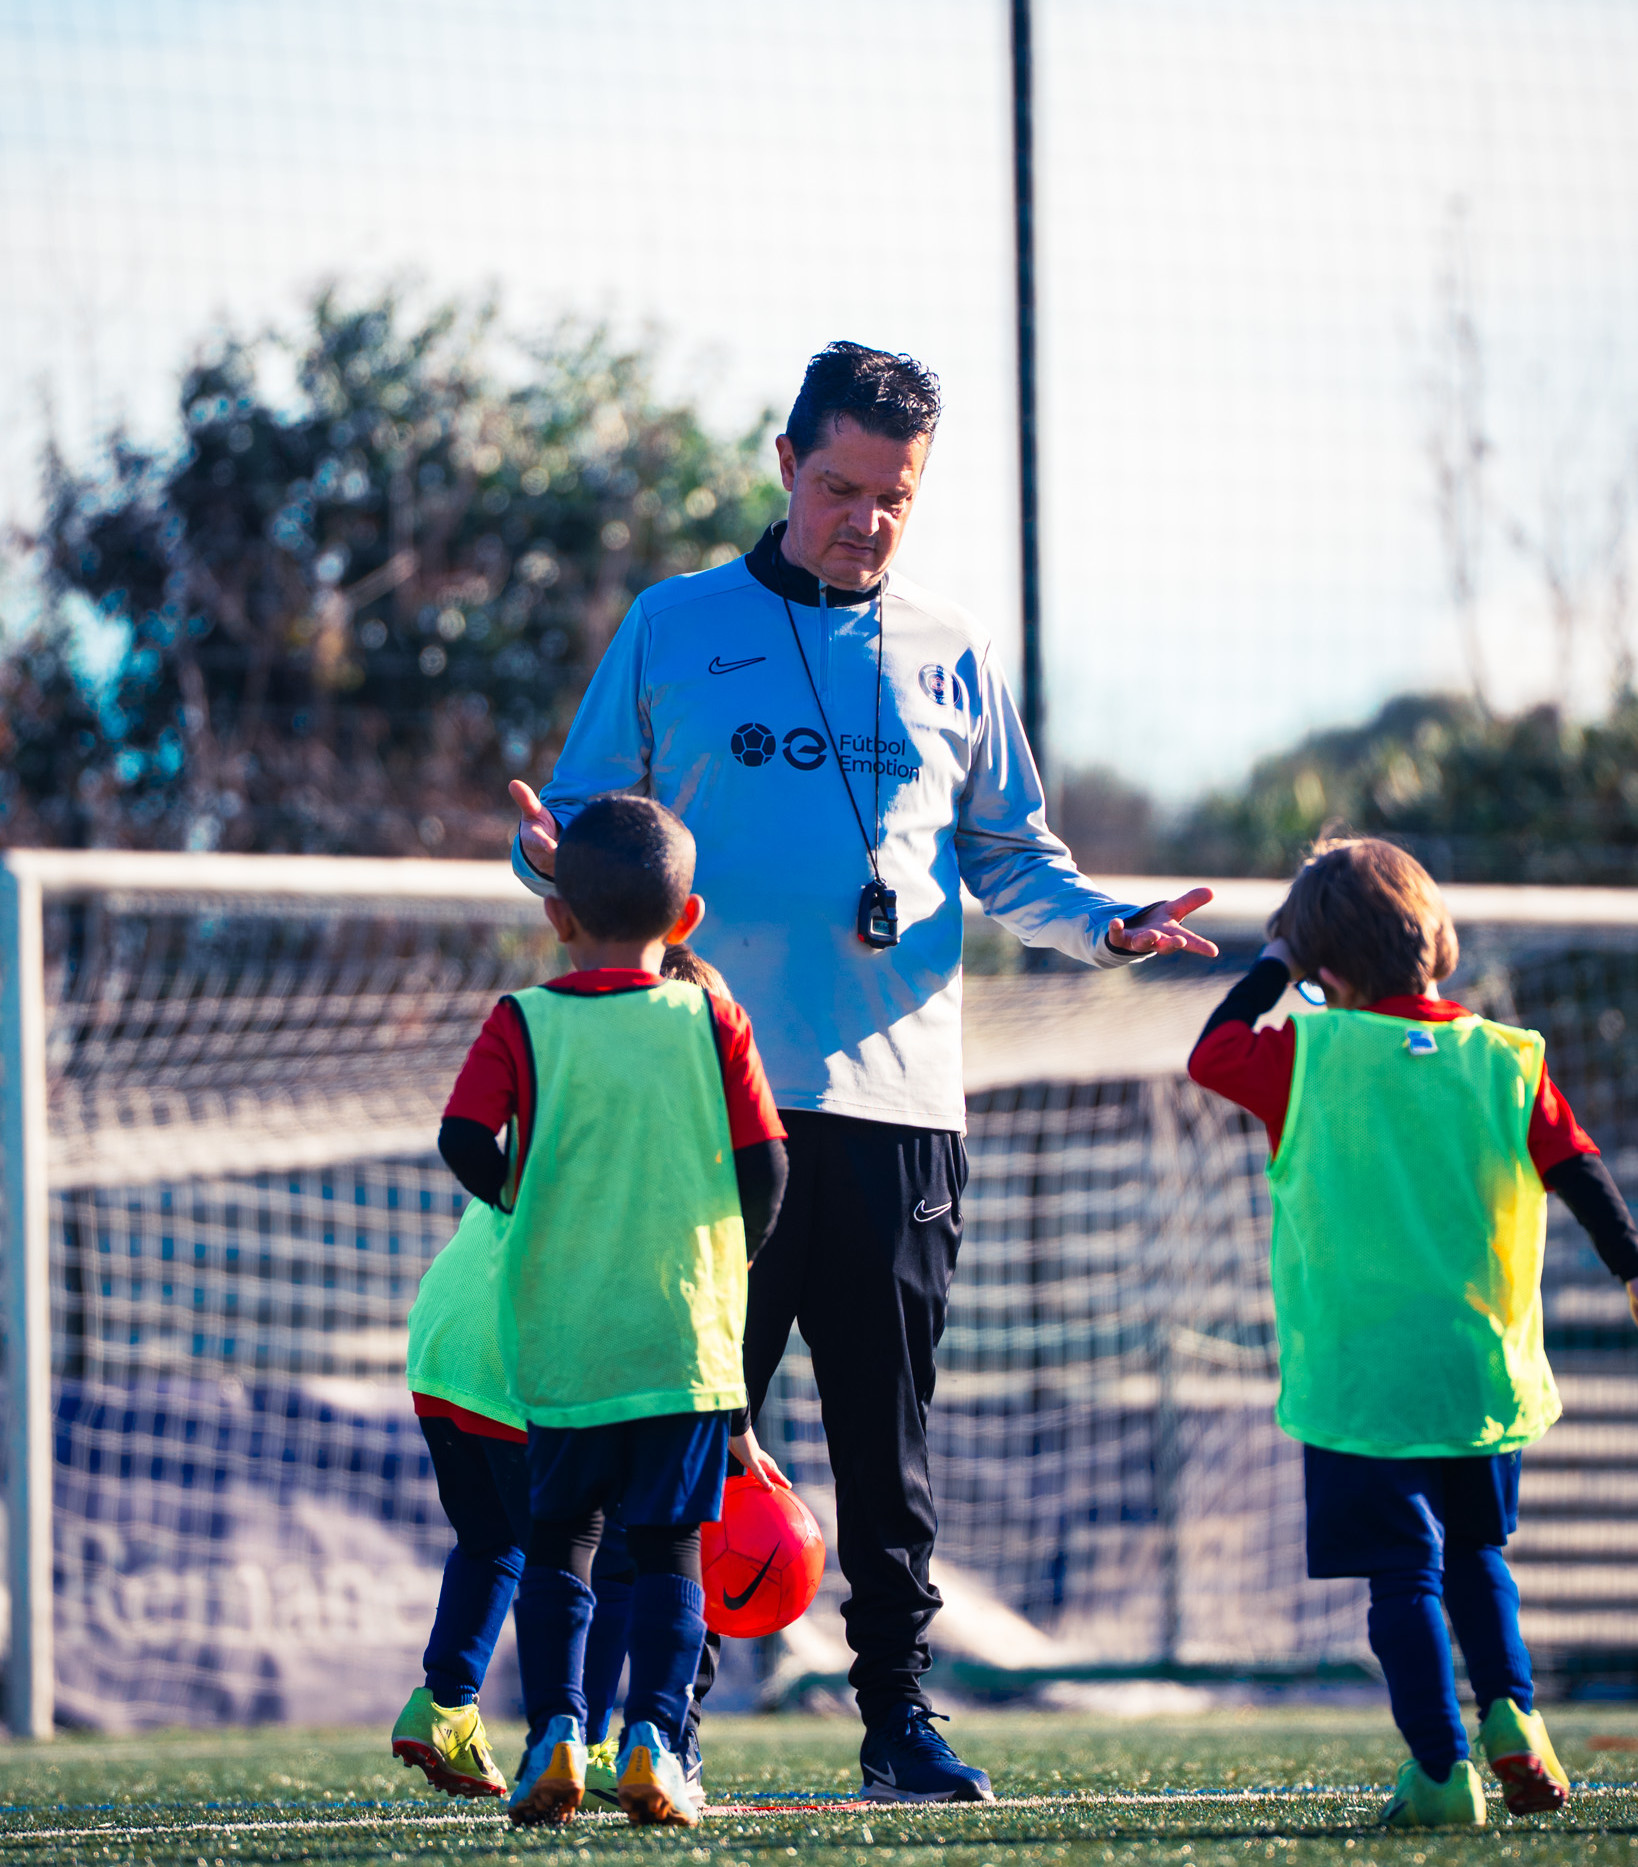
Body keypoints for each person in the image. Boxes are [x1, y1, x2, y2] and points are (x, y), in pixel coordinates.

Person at [507, 340, 1218, 1803]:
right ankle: (667, 1724)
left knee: (884, 1453)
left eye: (893, 495)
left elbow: (1018, 856)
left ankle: (897, 1714)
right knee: (694, 1433)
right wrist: (548, 858)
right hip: (709, 1111)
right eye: (839, 486)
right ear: (784, 465)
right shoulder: (671, 623)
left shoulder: (953, 644)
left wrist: (1106, 924)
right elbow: (577, 818)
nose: (864, 519)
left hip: (900, 1110)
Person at [1188, 836, 1638, 1830]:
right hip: (1480, 1366)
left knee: (1406, 1570)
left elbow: (1209, 1054)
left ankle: (1441, 1771)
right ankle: (1516, 1716)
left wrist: (1274, 964)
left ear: (1322, 966)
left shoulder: (1307, 1051)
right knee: (1479, 1552)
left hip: (1362, 1376)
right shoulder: (1506, 1058)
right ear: (1436, 939)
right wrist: (1633, 1265)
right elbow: (1581, 1171)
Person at [439, 794, 789, 1827]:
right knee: (671, 1549)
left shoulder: (521, 1019)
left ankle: (555, 1729)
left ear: (557, 918)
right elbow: (768, 1165)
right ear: (688, 923)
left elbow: (463, 1140)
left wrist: (522, 1196)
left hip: (563, 1336)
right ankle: (653, 1739)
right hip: (680, 1340)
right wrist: (726, 1255)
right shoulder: (716, 1017)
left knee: (560, 1544)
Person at [391, 1198, 637, 1805]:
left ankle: (443, 1706)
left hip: (441, 1338)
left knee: (490, 1538)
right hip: (515, 1347)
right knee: (609, 1561)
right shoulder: (652, 1146)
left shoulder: (553, 1108)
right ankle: (587, 1743)